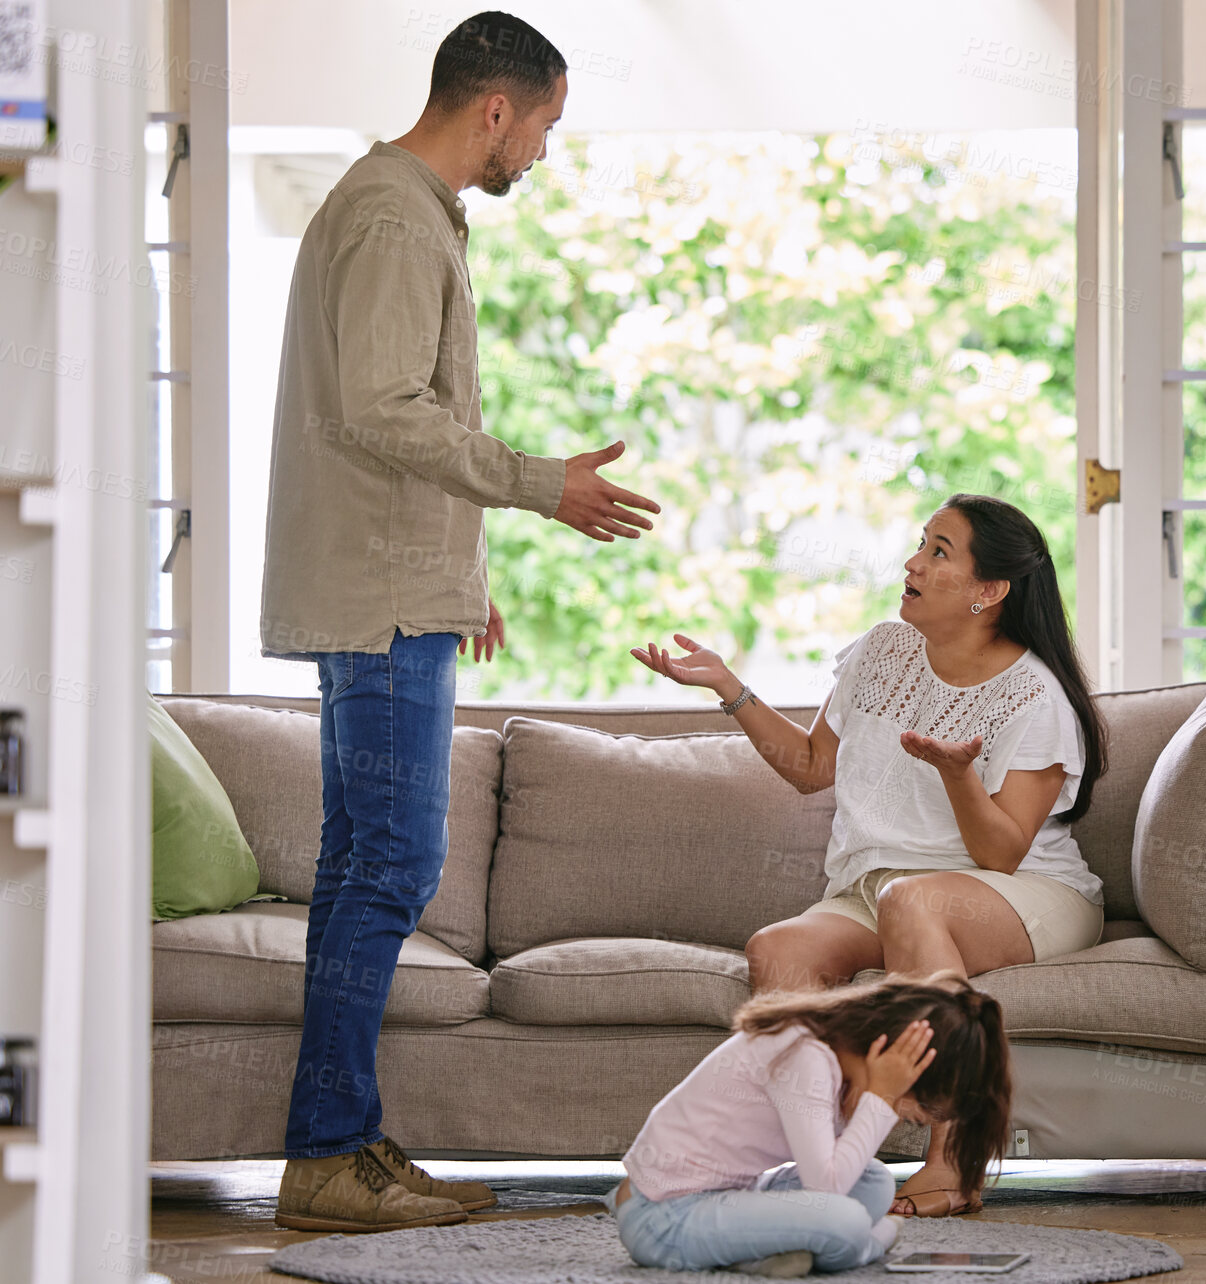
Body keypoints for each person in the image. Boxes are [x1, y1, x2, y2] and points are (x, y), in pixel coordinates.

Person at [259, 12, 661, 1233]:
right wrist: (543, 485)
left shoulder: (399, 209)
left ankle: (340, 1145)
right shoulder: (392, 214)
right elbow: (383, 409)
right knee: (392, 864)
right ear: (496, 108)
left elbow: (384, 419)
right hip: (380, 604)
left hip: (395, 586)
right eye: (543, 124)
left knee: (359, 864)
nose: (542, 149)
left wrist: (460, 561)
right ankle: (328, 1152)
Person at [631, 493, 1108, 1219]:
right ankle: (807, 1175)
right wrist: (728, 687)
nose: (913, 562)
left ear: (989, 592)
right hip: (876, 884)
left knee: (910, 901)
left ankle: (952, 1164)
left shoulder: (1032, 696)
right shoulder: (882, 650)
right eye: (921, 544)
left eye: (939, 552)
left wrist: (955, 775)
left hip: (1021, 890)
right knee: (779, 950)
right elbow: (809, 765)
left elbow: (1002, 852)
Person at [612, 974, 1011, 1277]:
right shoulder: (807, 1057)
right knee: (847, 1221)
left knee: (874, 1181)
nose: (909, 1119)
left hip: (730, 1192)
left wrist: (881, 1096)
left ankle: (759, 1255)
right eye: (915, 1105)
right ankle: (865, 1245)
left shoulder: (834, 1052)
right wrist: (883, 1097)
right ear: (884, 1053)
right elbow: (827, 1189)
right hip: (662, 1217)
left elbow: (833, 1174)